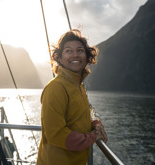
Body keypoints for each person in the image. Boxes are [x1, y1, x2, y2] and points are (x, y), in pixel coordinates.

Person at [37, 29, 107, 165]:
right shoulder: (56, 88)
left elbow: (85, 113)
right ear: (59, 57)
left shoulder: (77, 86)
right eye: (68, 51)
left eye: (80, 50)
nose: (75, 55)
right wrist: (92, 137)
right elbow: (56, 134)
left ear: (87, 56)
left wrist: (96, 124)